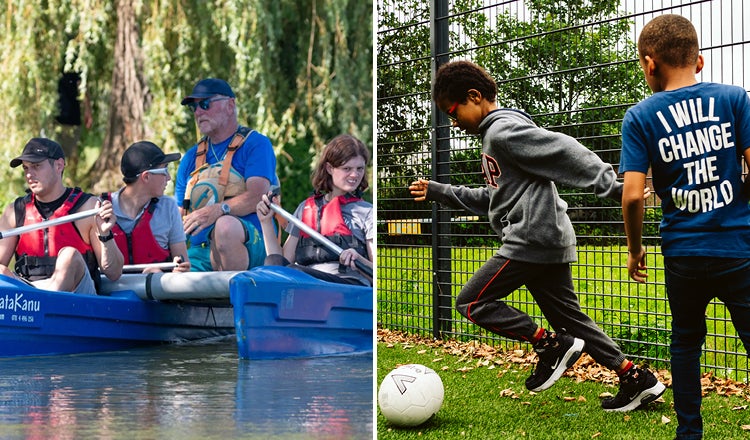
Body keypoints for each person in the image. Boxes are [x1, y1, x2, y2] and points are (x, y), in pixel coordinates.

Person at [411, 60, 665, 411]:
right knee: (571, 320)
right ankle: (635, 377)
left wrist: (615, 187)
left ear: (474, 96)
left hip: (530, 238)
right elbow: (493, 197)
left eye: (453, 112)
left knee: (471, 302)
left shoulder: (502, 133)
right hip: (548, 237)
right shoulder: (497, 135)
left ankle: (548, 344)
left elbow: (564, 150)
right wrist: (440, 191)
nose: (454, 123)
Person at [620, 14, 750, 439]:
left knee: (686, 340)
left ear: (649, 63)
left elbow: (635, 194)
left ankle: (689, 433)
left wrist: (635, 248)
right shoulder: (735, 99)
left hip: (683, 253)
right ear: (700, 61)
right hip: (738, 246)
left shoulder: (640, 116)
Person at [175, 78, 279, 271]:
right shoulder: (189, 158)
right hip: (200, 252)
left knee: (224, 227)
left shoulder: (256, 145)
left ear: (230, 105)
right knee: (162, 273)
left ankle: (235, 298)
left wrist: (217, 210)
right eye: (194, 107)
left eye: (205, 104)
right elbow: (179, 214)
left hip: (251, 243)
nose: (198, 112)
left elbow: (258, 197)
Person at [0, 138, 123, 293]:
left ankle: (48, 305)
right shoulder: (15, 211)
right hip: (31, 295)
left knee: (69, 256)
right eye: (26, 168)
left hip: (77, 296)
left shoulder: (88, 207)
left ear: (59, 165)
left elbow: (114, 273)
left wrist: (105, 234)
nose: (29, 175)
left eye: (37, 166)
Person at [256, 134, 373, 286]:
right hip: (308, 281)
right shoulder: (306, 208)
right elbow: (281, 263)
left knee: (295, 272)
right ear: (330, 168)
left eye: (360, 169)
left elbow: (379, 274)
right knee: (273, 261)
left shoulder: (367, 212)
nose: (355, 175)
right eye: (347, 169)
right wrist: (265, 222)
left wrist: (359, 259)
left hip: (347, 286)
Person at [102, 141, 190, 273]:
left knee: (153, 272)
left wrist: (180, 270)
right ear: (146, 177)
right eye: (165, 170)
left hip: (158, 289)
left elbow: (184, 265)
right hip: (111, 291)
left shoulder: (168, 207)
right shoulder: (101, 209)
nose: (169, 178)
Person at [54, 71, 92, 183]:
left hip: (73, 119)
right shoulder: (56, 67)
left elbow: (84, 91)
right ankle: (61, 178)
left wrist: (88, 112)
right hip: (58, 120)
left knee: (72, 152)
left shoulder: (76, 70)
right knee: (58, 152)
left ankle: (71, 179)